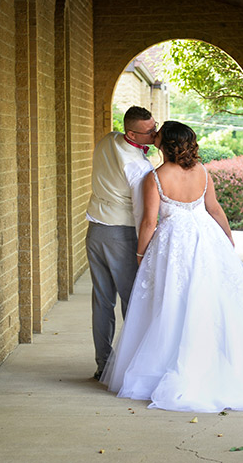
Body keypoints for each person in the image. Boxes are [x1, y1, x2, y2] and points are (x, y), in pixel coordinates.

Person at [100, 121, 243, 412]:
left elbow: (150, 222)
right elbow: (214, 209)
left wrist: (140, 255)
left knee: (172, 301)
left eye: (158, 134)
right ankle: (212, 357)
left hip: (173, 243)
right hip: (206, 238)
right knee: (211, 298)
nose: (155, 135)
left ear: (165, 143)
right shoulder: (202, 172)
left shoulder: (156, 177)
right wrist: (226, 236)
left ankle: (171, 361)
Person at [86, 106, 157, 381]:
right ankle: (133, 367)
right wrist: (143, 249)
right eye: (149, 131)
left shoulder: (108, 140)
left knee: (102, 301)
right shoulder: (136, 166)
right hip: (123, 233)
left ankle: (103, 364)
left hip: (96, 231)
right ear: (131, 133)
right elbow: (143, 214)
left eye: (155, 126)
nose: (155, 132)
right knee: (132, 301)